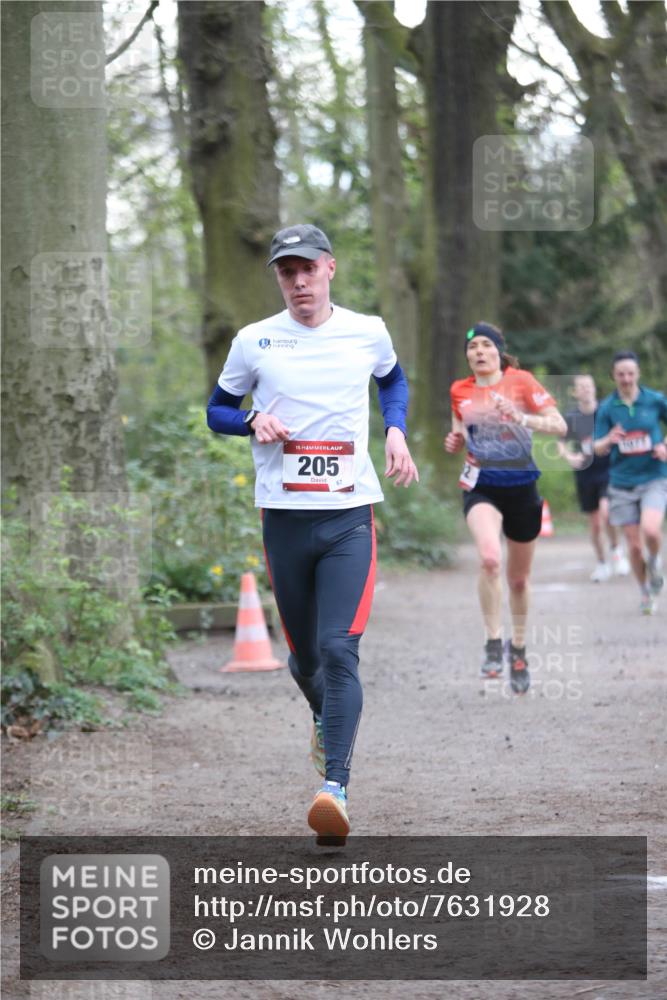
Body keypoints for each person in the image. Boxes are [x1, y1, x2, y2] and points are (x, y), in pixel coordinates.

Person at [206, 224, 419, 842]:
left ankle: (335, 788)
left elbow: (393, 381)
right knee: (303, 660)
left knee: (338, 650)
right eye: (285, 271)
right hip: (284, 521)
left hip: (349, 516)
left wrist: (395, 430)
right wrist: (251, 418)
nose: (298, 281)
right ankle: (328, 724)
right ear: (278, 277)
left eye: (307, 269)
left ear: (330, 268)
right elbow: (215, 410)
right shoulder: (255, 341)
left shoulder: (367, 330)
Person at [445, 322, 567, 693]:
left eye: (486, 345)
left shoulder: (522, 382)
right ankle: (493, 642)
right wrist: (453, 440)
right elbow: (460, 432)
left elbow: (559, 425)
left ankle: (518, 647)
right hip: (481, 486)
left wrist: (522, 418)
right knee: (489, 559)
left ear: (499, 350)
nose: (479, 351)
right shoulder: (459, 390)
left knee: (517, 579)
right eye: (473, 347)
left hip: (521, 487)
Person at [594, 351, 667, 615]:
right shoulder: (607, 407)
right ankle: (646, 592)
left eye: (630, 373)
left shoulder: (655, 400)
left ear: (638, 374)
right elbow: (597, 447)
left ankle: (656, 561)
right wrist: (609, 438)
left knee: (651, 530)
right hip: (622, 483)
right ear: (613, 376)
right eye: (621, 374)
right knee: (634, 546)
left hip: (654, 478)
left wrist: (665, 445)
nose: (626, 378)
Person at [558, 374, 629, 581]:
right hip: (585, 473)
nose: (586, 389)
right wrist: (570, 456)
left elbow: (622, 432)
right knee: (595, 523)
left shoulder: (606, 412)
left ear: (594, 388)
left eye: (589, 385)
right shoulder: (571, 417)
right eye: (581, 387)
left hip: (608, 470)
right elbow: (560, 443)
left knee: (607, 513)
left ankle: (616, 551)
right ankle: (601, 563)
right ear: (575, 392)